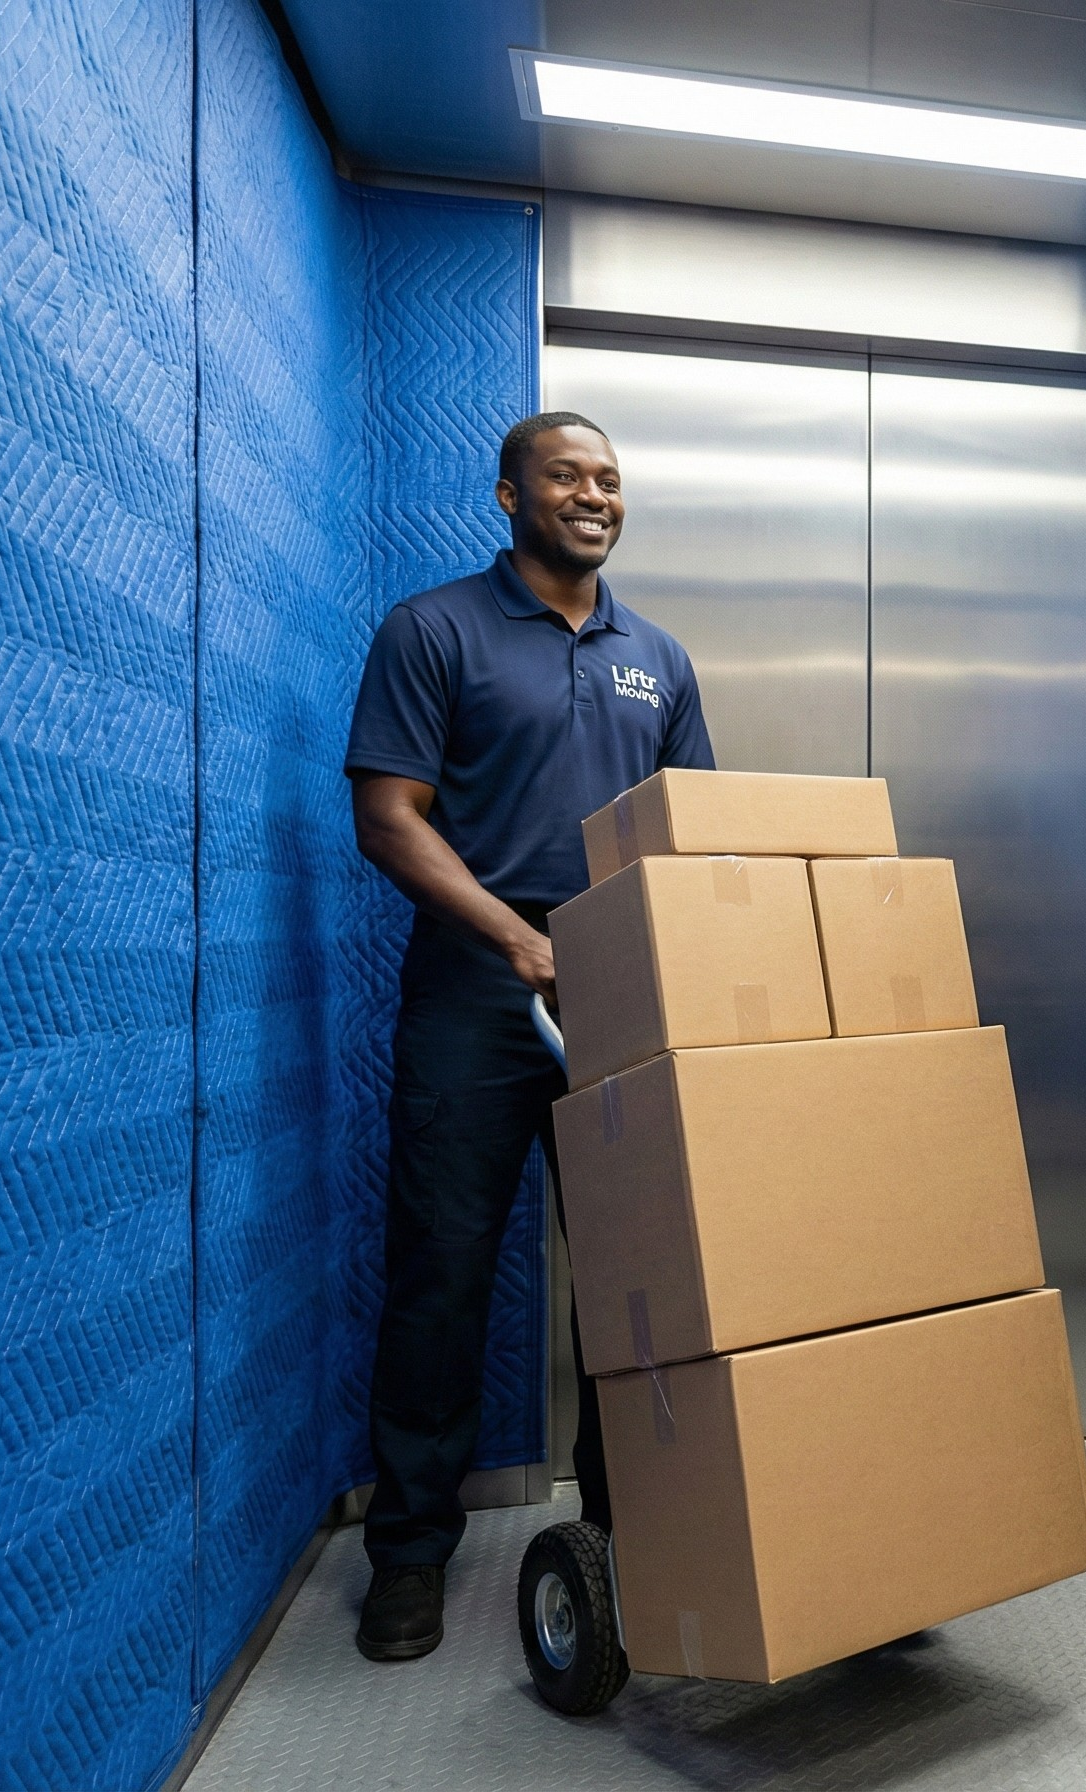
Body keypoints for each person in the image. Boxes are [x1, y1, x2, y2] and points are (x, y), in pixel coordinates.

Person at [342, 411, 713, 1662]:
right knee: (442, 1271)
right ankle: (407, 1555)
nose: (594, 494)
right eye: (567, 474)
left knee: (635, 1277)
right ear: (509, 494)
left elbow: (690, 835)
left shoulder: (656, 655)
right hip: (474, 992)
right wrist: (513, 936)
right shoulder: (433, 629)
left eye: (611, 476)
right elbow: (389, 817)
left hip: (621, 990)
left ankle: (630, 1525)